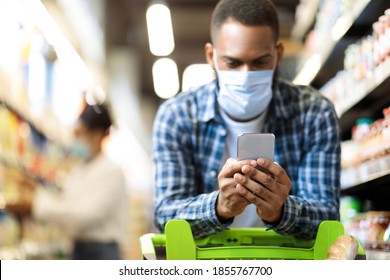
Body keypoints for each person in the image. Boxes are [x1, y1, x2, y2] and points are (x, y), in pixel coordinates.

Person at [153, 0, 340, 240]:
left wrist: (280, 211)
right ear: (211, 56)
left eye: (260, 62)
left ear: (278, 55)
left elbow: (328, 216)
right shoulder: (177, 116)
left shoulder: (314, 113)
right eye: (232, 62)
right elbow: (165, 215)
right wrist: (219, 207)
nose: (246, 75)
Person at [6, 102, 128, 259]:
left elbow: (84, 215)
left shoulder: (112, 173)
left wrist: (34, 206)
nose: (75, 141)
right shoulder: (79, 170)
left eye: (79, 134)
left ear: (96, 135)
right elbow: (64, 203)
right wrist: (36, 189)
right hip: (78, 247)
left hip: (101, 252)